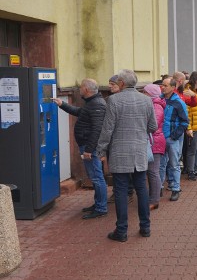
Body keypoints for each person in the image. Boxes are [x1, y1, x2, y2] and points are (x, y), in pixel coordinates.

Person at [97, 69, 157, 242]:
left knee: (121, 191)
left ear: (122, 83)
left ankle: (121, 230)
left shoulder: (113, 100)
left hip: (119, 151)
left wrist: (101, 150)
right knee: (141, 188)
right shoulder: (146, 100)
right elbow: (152, 126)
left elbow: (107, 128)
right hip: (139, 150)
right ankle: (145, 227)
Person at [52, 79, 107, 219]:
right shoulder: (92, 102)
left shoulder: (96, 104)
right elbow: (79, 112)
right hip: (88, 145)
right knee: (94, 176)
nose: (80, 89)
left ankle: (101, 208)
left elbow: (97, 130)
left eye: (81, 87)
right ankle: (98, 204)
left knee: (97, 177)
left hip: (90, 147)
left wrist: (89, 149)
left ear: (86, 89)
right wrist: (62, 104)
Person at [159, 77, 189, 201]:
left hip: (172, 138)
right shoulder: (159, 100)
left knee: (174, 164)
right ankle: (159, 187)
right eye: (162, 85)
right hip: (160, 138)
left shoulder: (178, 102)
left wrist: (174, 136)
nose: (162, 87)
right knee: (161, 164)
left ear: (173, 87)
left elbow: (185, 122)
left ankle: (176, 189)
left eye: (165, 85)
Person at [143, 83, 165, 211]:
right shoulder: (153, 104)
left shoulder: (156, 106)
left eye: (145, 93)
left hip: (155, 141)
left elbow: (153, 125)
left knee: (153, 172)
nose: (143, 95)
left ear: (150, 94)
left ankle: (154, 200)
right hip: (152, 141)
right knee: (151, 172)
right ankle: (152, 197)